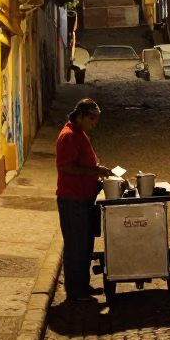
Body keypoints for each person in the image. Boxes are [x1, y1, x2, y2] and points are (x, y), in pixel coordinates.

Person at [55, 98, 112, 301]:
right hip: (73, 199)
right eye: (91, 118)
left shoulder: (80, 133)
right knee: (75, 245)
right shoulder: (69, 136)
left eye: (96, 119)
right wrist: (95, 170)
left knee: (85, 245)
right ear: (80, 116)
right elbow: (65, 166)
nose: (94, 122)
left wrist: (97, 169)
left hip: (84, 198)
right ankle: (75, 291)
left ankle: (82, 286)